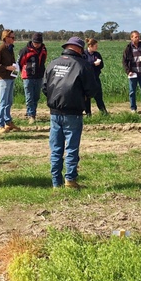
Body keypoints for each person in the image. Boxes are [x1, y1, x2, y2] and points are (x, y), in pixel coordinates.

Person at [43, 37, 98, 190]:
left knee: (56, 149)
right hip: (73, 112)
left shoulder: (53, 63)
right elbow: (92, 90)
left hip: (54, 112)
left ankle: (56, 182)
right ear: (79, 49)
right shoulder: (83, 65)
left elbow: (45, 87)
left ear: (67, 47)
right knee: (72, 148)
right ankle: (70, 180)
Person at [0, 29, 21, 133]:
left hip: (11, 77)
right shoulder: (0, 49)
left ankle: (8, 122)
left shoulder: (10, 48)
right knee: (3, 102)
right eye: (12, 37)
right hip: (3, 78)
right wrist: (7, 68)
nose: (14, 39)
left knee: (9, 101)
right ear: (6, 38)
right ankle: (0, 125)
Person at [122, 30, 141, 115]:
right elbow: (124, 61)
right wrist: (128, 71)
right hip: (133, 74)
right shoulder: (128, 48)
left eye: (138, 36)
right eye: (136, 37)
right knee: (132, 92)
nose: (138, 38)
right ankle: (133, 108)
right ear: (131, 38)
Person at [18, 32, 47, 124]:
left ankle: (31, 111)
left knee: (36, 96)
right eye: (35, 43)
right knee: (29, 97)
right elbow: (20, 63)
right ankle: (31, 115)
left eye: (38, 43)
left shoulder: (44, 49)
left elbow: (44, 60)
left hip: (39, 76)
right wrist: (24, 71)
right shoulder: (25, 50)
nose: (37, 45)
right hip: (28, 77)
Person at [84, 38, 108, 116]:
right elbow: (84, 66)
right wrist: (93, 64)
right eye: (95, 46)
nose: (97, 47)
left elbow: (102, 65)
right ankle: (88, 114)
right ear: (90, 46)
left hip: (95, 78)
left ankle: (104, 112)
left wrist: (98, 64)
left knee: (98, 96)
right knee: (87, 98)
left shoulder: (97, 54)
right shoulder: (84, 54)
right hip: (86, 80)